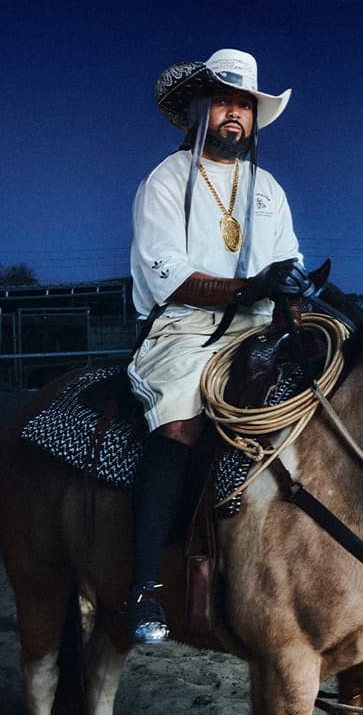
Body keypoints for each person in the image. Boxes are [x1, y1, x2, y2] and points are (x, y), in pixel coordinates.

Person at [126, 48, 311, 644]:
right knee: (180, 417)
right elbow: (169, 277)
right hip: (184, 326)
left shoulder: (269, 187)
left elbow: (291, 260)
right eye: (225, 102)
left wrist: (291, 296)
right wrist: (248, 285)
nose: (236, 115)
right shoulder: (164, 180)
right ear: (198, 110)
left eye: (246, 106)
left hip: (261, 323)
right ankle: (144, 583)